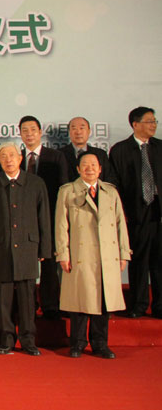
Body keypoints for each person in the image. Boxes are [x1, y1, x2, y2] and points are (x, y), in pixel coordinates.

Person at [56, 152, 131, 358]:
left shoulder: (110, 192)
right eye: (85, 165)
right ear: (78, 169)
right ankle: (78, 343)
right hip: (80, 253)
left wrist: (124, 253)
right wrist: (63, 253)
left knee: (103, 301)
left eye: (93, 165)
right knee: (80, 299)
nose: (89, 168)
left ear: (100, 169)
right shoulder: (68, 191)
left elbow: (120, 224)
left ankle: (100, 343)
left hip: (107, 254)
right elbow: (62, 225)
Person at [0, 142, 52, 356]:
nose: (9, 159)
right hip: (1, 247)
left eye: (12, 155)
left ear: (20, 158)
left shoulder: (35, 183)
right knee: (3, 297)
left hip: (28, 247)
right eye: (4, 156)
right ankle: (6, 338)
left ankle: (28, 339)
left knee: (27, 296)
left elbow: (44, 218)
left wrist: (44, 249)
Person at [108, 106, 162, 318]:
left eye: (155, 121)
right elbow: (115, 183)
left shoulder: (159, 147)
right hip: (135, 213)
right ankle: (138, 306)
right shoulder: (120, 150)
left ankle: (159, 307)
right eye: (149, 121)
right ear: (135, 124)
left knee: (159, 262)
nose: (154, 125)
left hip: (158, 212)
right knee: (139, 261)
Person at [19, 115, 68, 319]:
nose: (29, 134)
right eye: (24, 130)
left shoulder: (55, 156)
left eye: (33, 130)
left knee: (48, 260)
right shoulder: (16, 157)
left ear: (40, 132)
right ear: (20, 134)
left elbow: (64, 187)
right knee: (26, 264)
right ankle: (28, 304)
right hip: (22, 220)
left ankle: (50, 304)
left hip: (50, 216)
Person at [61, 117, 110, 182]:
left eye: (82, 128)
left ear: (89, 131)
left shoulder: (101, 154)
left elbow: (109, 179)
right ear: (69, 132)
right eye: (74, 128)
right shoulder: (60, 154)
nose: (78, 132)